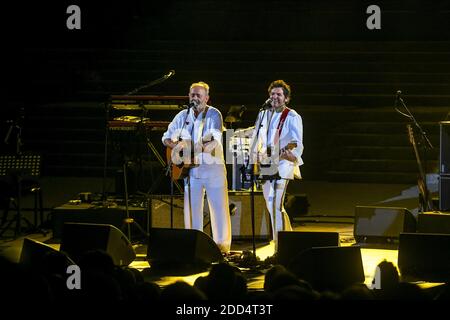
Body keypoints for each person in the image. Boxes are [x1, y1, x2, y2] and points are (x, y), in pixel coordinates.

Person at [162, 81, 231, 254]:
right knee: (192, 210)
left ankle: (221, 248)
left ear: (207, 98)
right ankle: (194, 246)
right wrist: (176, 148)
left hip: (213, 169)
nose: (195, 97)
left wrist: (189, 148)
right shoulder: (182, 116)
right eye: (192, 94)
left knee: (219, 209)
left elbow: (212, 141)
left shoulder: (214, 114)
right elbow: (165, 138)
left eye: (198, 95)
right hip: (190, 171)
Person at [249, 80, 304, 250]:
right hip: (266, 164)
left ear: (286, 98)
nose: (275, 97)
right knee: (271, 204)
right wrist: (255, 155)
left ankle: (279, 246)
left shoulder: (292, 116)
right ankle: (288, 239)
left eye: (279, 94)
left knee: (275, 204)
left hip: (283, 164)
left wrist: (286, 153)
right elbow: (257, 137)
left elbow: (296, 143)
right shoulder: (263, 114)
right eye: (272, 94)